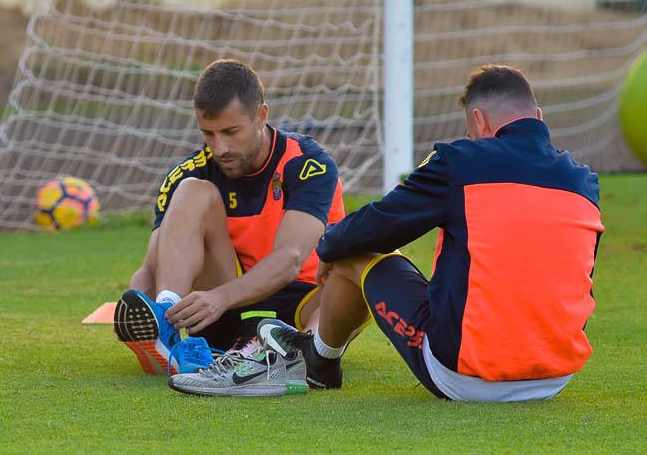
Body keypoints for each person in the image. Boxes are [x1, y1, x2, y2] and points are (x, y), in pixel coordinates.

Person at [257, 64, 605, 401]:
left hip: (464, 376)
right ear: (538, 117)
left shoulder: (461, 162)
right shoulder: (584, 181)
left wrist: (328, 246)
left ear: (479, 122)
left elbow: (378, 225)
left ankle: (319, 359)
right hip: (555, 377)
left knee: (353, 251)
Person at [113, 59, 345, 391]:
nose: (219, 148)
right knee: (193, 190)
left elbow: (291, 258)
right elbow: (153, 264)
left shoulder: (309, 164)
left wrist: (219, 298)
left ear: (261, 116)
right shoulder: (190, 173)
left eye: (231, 132)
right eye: (208, 133)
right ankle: (170, 328)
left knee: (358, 266)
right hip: (227, 310)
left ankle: (306, 356)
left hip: (302, 306)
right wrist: (142, 309)